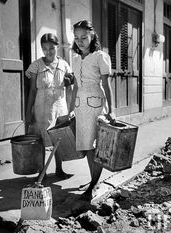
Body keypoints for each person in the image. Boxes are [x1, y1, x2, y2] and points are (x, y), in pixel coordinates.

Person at [69, 20, 116, 200]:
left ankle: (94, 184)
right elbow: (75, 86)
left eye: (84, 37)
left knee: (96, 147)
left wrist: (111, 110)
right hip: (81, 106)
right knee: (88, 146)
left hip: (96, 103)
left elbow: (106, 84)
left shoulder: (100, 56)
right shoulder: (74, 58)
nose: (80, 41)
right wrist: (71, 109)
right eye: (76, 38)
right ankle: (93, 180)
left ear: (92, 36)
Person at [25, 33, 73, 179]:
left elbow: (70, 86)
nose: (48, 51)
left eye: (51, 48)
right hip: (41, 107)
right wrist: (28, 112)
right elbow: (32, 90)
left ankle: (59, 169)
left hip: (60, 106)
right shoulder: (36, 65)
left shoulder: (64, 65)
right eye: (45, 48)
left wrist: (71, 110)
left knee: (59, 138)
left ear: (57, 47)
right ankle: (42, 171)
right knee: (40, 140)